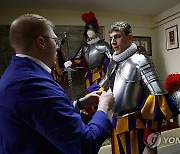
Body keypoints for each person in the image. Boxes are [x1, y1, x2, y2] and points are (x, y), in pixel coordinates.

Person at [0, 14, 115, 154]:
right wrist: (103, 107)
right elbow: (85, 144)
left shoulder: (16, 72)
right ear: (41, 42)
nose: (57, 46)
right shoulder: (35, 84)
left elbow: (44, 114)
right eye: (55, 40)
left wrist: (78, 104)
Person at [88, 21, 179, 154]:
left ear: (130, 37)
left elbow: (158, 99)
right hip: (116, 124)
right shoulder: (113, 64)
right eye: (111, 38)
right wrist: (93, 95)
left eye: (117, 36)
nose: (113, 41)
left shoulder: (141, 60)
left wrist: (150, 142)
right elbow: (103, 86)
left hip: (136, 127)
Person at [64, 11, 112, 115]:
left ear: (96, 31)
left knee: (100, 97)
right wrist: (70, 63)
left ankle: (101, 117)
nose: (89, 32)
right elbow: (78, 60)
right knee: (89, 97)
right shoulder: (84, 46)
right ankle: (91, 118)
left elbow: (110, 62)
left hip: (100, 75)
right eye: (88, 30)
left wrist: (109, 77)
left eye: (91, 30)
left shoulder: (104, 45)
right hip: (88, 75)